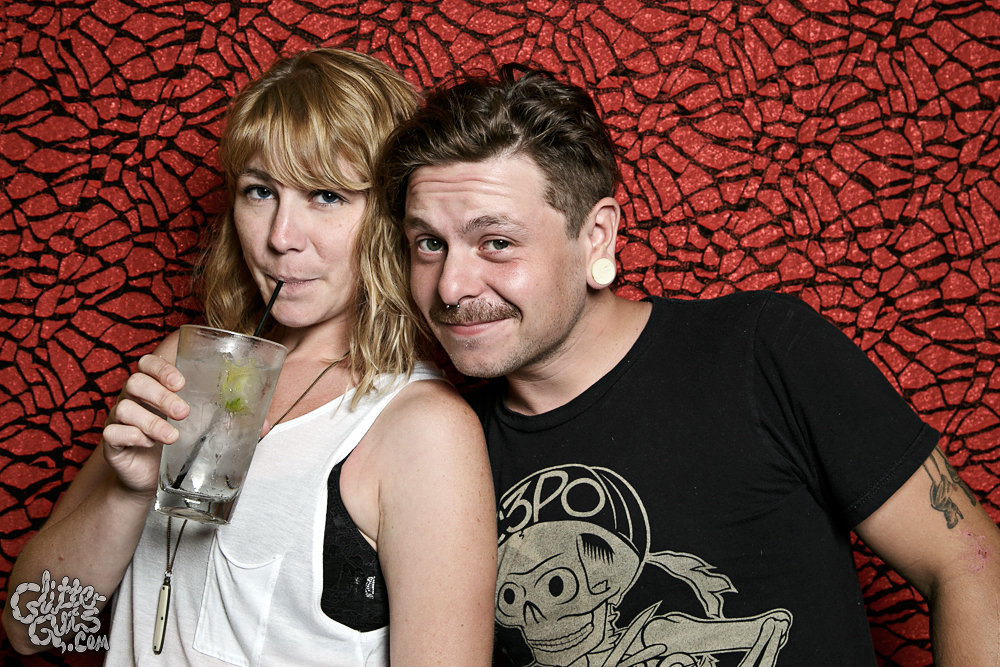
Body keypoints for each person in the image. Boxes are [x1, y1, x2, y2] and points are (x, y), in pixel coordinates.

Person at [377, 65, 1000, 666]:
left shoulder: (763, 350)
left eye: (496, 243)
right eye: (429, 243)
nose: (451, 286)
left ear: (596, 237)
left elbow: (969, 564)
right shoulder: (441, 449)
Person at [2, 48, 496, 666]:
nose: (280, 237)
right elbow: (33, 629)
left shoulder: (422, 429)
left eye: (326, 195)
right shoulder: (188, 365)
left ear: (392, 215)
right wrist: (126, 494)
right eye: (260, 191)